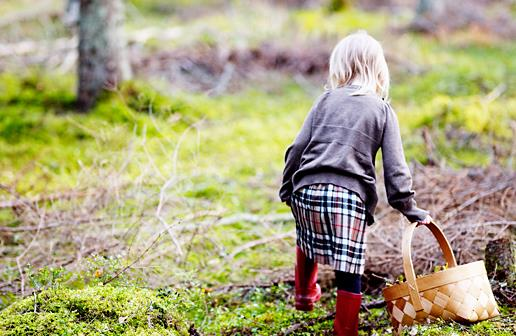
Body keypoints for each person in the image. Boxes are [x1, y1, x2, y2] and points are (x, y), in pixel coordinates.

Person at [278, 31, 432, 336]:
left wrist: (287, 186)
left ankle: (305, 295)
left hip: (306, 188)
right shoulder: (382, 110)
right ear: (378, 70)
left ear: (340, 66)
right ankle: (345, 331)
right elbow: (396, 170)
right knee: (349, 270)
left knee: (309, 232)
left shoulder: (324, 100)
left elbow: (297, 148)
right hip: (347, 197)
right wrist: (409, 208)